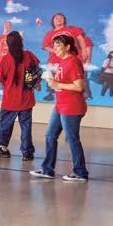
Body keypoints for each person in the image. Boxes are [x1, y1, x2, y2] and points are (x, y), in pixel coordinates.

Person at [31, 34, 89, 183]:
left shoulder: (73, 62)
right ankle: (47, 170)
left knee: (72, 139)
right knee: (50, 136)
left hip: (72, 106)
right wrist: (51, 79)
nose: (55, 49)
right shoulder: (61, 61)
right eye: (54, 46)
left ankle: (81, 173)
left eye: (58, 46)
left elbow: (79, 86)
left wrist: (58, 85)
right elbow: (62, 81)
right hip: (61, 104)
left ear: (68, 47)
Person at [0, 30, 39, 161]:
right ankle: (27, 153)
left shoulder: (6, 59)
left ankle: (3, 148)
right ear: (21, 42)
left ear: (8, 44)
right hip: (26, 99)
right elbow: (37, 71)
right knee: (26, 127)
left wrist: (8, 86)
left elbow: (0, 78)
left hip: (10, 99)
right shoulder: (29, 55)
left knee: (5, 125)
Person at [40, 13, 91, 102]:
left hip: (72, 58)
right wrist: (54, 50)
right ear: (53, 21)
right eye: (56, 18)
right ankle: (51, 93)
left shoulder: (72, 29)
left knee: (78, 77)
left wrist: (84, 51)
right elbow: (45, 46)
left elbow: (80, 40)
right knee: (53, 77)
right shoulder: (50, 33)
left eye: (61, 17)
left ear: (64, 20)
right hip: (55, 60)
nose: (59, 19)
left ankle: (85, 93)